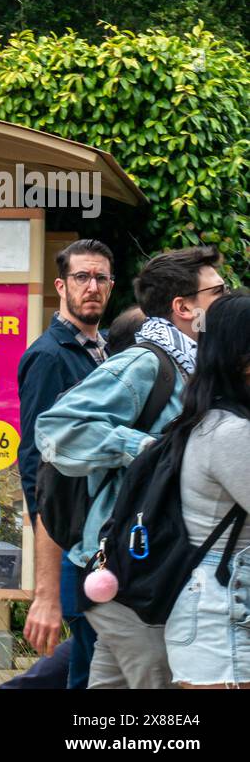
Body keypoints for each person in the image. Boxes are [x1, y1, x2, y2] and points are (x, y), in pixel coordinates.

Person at [37, 246, 227, 689]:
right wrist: (149, 449)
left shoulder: (194, 368)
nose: (227, 298)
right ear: (183, 307)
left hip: (142, 568)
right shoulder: (146, 363)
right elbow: (58, 428)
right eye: (217, 290)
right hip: (129, 565)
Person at [17, 238, 114, 689]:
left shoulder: (105, 349)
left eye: (100, 278)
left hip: (102, 538)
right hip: (72, 541)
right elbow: (39, 467)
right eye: (81, 277)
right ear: (61, 285)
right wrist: (46, 587)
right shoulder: (50, 356)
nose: (91, 286)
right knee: (89, 672)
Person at [165, 293, 250, 688]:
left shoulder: (211, 419)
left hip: (220, 609)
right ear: (241, 359)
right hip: (223, 620)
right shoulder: (230, 433)